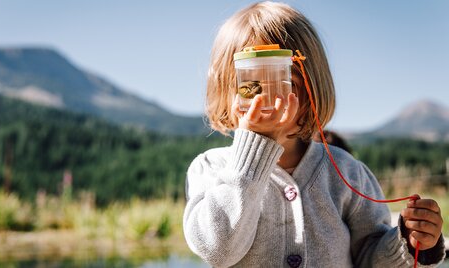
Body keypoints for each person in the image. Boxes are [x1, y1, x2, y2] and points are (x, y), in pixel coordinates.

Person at [183, 2, 445, 267]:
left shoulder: (346, 172)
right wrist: (254, 151)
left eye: (284, 84)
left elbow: (370, 258)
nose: (265, 102)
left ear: (311, 90)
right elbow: (219, 251)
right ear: (226, 93)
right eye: (250, 87)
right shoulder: (210, 169)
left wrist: (411, 242)